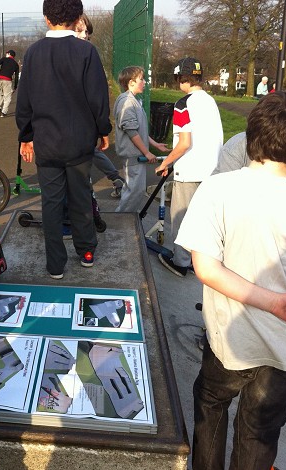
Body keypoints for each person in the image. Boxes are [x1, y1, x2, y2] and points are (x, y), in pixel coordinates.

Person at [176, 91, 286, 470]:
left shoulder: (217, 190)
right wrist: (277, 302)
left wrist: (270, 301)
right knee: (259, 432)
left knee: (210, 401)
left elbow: (206, 268)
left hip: (232, 338)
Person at [16, 0, 110, 279]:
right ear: (77, 17)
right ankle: (86, 252)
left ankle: (55, 264)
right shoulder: (86, 51)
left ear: (46, 18)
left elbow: (25, 101)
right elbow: (98, 97)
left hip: (47, 143)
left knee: (51, 202)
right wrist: (103, 129)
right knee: (80, 197)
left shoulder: (33, 53)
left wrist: (26, 135)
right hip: (80, 143)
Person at [154, 57, 222, 277]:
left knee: (182, 217)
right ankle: (197, 260)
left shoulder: (183, 104)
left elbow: (184, 143)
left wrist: (166, 162)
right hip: (212, 169)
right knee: (202, 218)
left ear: (181, 79)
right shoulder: (210, 101)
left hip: (190, 171)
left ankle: (181, 262)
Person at [74, 13, 125, 199]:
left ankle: (89, 204)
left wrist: (102, 128)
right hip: (70, 127)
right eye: (79, 30)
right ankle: (114, 179)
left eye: (86, 31)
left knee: (84, 160)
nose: (84, 35)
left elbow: (98, 94)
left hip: (83, 125)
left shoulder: (89, 54)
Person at [114, 66, 169, 212]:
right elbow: (132, 132)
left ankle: (125, 223)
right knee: (133, 193)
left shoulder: (134, 101)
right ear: (131, 82)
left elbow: (138, 130)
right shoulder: (127, 102)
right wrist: (147, 153)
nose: (145, 82)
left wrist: (155, 145)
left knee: (135, 192)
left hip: (137, 155)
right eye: (141, 79)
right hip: (133, 156)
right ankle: (121, 225)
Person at [0, 49, 19, 118]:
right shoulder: (16, 64)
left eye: (7, 53)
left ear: (9, 54)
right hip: (7, 80)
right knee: (7, 97)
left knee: (0, 93)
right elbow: (16, 76)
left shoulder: (4, 59)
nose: (6, 54)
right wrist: (15, 86)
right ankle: (3, 112)